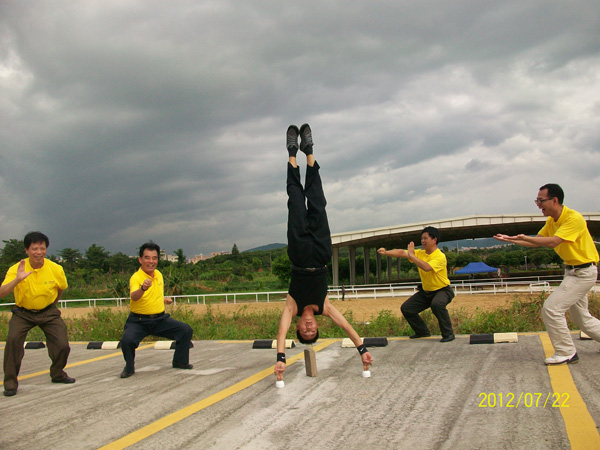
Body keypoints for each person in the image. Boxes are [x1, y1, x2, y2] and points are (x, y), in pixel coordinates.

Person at [274, 124, 373, 382]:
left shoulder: (291, 307)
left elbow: (281, 332)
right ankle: (309, 151)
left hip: (298, 253)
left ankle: (292, 152)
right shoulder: (325, 307)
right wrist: (362, 349)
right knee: (317, 201)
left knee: (295, 199)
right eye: (312, 331)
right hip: (319, 253)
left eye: (304, 332)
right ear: (317, 326)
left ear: (298, 326)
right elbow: (346, 326)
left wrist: (281, 358)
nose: (308, 328)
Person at [494, 183, 600, 365]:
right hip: (573, 273)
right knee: (581, 318)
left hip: (583, 273)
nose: (538, 204)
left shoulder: (573, 218)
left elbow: (554, 242)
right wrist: (512, 239)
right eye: (537, 200)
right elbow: (539, 241)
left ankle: (567, 352)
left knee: (552, 309)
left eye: (541, 200)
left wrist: (525, 237)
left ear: (555, 200)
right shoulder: (552, 221)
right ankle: (568, 350)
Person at [0, 231, 75, 397]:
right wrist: (17, 280)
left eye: (42, 248)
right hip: (23, 313)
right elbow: (2, 292)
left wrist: (52, 306)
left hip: (48, 312)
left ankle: (57, 374)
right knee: (12, 341)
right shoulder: (16, 269)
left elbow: (60, 289)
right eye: (35, 248)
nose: (39, 252)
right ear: (27, 250)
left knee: (62, 344)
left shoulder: (56, 269)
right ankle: (11, 383)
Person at [119, 242, 194, 378]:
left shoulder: (158, 274)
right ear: (140, 259)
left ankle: (180, 362)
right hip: (138, 321)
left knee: (185, 330)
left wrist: (164, 300)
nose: (151, 261)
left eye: (154, 258)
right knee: (127, 340)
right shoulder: (136, 277)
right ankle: (129, 368)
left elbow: (154, 294)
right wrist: (143, 288)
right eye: (147, 258)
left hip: (160, 319)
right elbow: (134, 297)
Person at [378, 227, 456, 342]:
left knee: (437, 305)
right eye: (421, 238)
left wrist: (412, 256)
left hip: (442, 290)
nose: (423, 241)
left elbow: (426, 267)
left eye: (425, 238)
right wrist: (386, 252)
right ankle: (422, 332)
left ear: (434, 240)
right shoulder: (420, 253)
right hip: (426, 292)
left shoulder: (439, 256)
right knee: (407, 308)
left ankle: (448, 334)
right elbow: (402, 252)